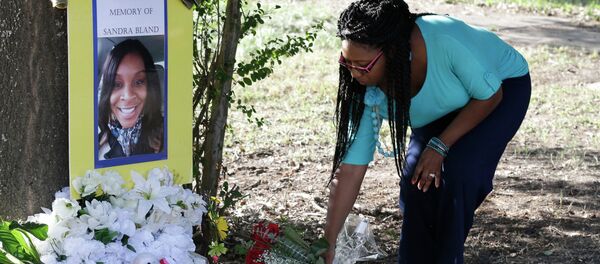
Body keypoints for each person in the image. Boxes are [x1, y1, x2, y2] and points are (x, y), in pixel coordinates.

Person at [324, 0, 531, 263]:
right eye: (346, 62)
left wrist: (439, 145)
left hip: (499, 89)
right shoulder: (365, 90)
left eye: (362, 65)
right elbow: (351, 169)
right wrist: (328, 243)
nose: (354, 74)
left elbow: (489, 96)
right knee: (417, 181)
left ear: (392, 52)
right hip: (444, 104)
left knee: (458, 174)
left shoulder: (443, 39)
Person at [97, 39, 164, 160]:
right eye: (116, 84)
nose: (127, 96)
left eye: (139, 82)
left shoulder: (167, 133)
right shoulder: (96, 141)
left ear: (150, 87)